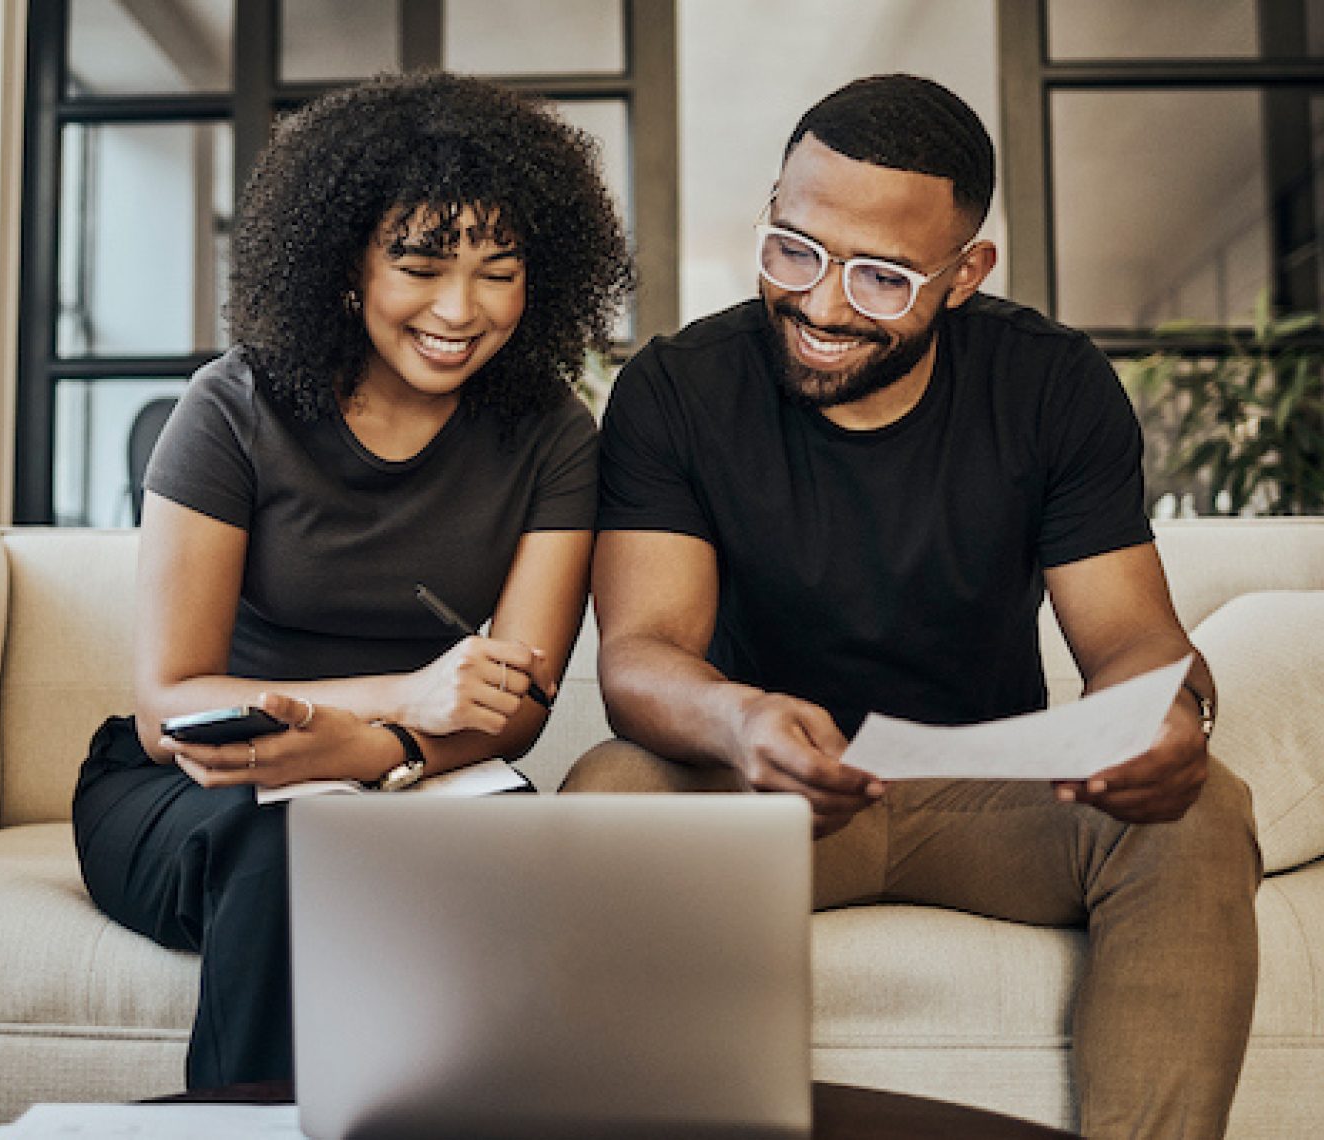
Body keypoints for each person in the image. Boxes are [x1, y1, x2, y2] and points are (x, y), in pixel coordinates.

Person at [565, 74, 1260, 1140]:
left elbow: (1128, 638)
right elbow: (643, 651)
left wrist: (1166, 715)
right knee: (610, 787)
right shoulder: (677, 389)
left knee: (1199, 804)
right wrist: (739, 720)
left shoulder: (1051, 386)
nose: (822, 304)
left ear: (965, 271)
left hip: (989, 793)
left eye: (882, 278)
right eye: (791, 249)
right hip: (768, 797)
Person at [72, 71, 632, 1089]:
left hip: (427, 771)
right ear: (346, 268)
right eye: (418, 265)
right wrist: (400, 697)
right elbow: (170, 707)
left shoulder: (552, 432)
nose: (459, 310)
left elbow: (514, 707)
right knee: (305, 850)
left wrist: (382, 747)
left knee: (525, 877)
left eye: (498, 271)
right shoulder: (230, 409)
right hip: (201, 784)